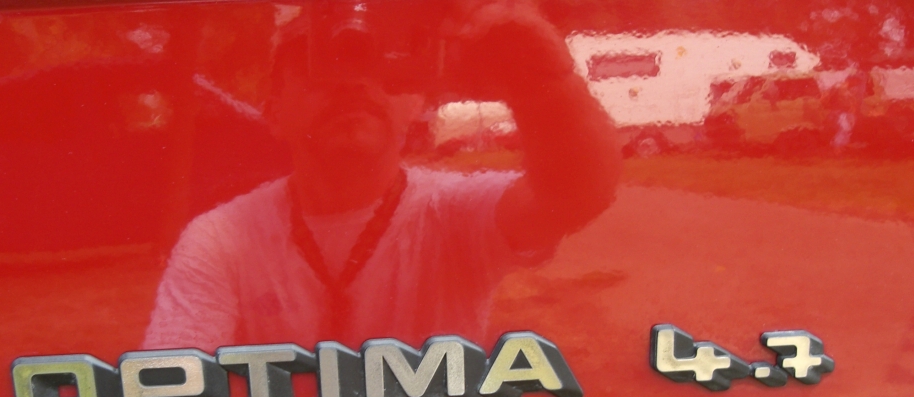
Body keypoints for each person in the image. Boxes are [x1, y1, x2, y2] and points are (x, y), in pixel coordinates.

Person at [144, 0, 621, 353]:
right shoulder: (221, 238)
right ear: (273, 113)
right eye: (321, 61)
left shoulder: (450, 211)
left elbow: (576, 196)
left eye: (377, 59)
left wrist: (543, 78)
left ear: (416, 102)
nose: (352, 79)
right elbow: (176, 388)